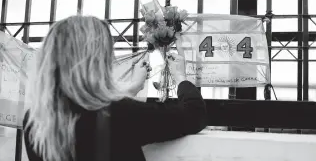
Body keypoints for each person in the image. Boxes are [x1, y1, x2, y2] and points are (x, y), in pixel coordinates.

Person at [23, 16, 207, 161]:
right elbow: (193, 115)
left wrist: (133, 87)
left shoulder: (34, 120)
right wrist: (181, 78)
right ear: (95, 61)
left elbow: (88, 106)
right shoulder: (119, 114)